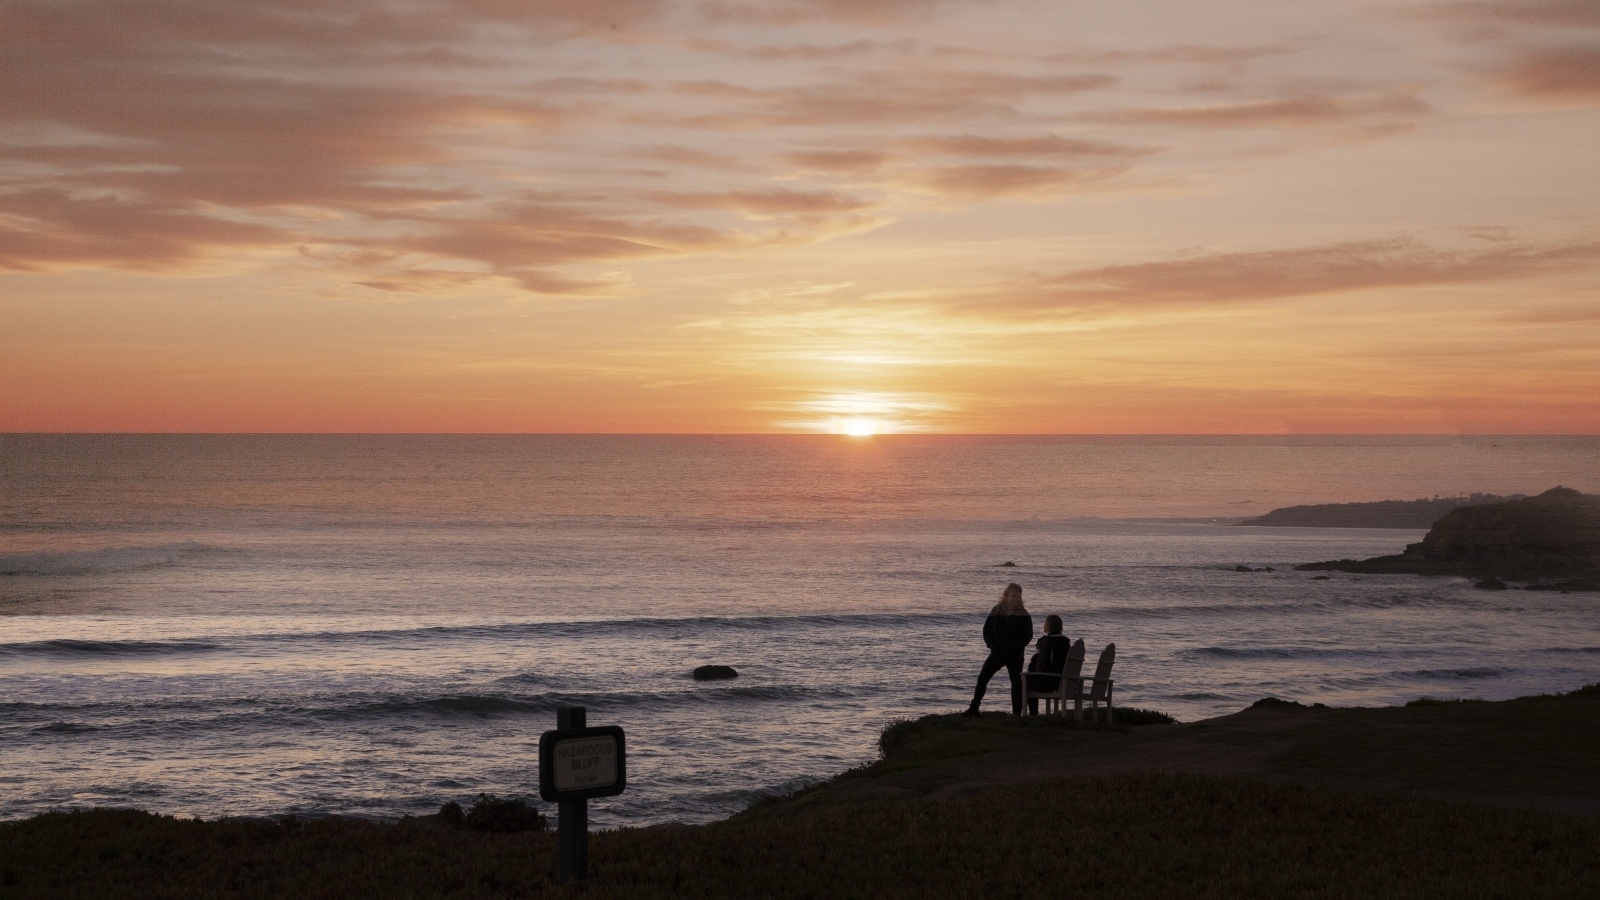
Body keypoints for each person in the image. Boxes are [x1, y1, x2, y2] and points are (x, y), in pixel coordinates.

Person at [962, 583, 1033, 716]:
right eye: (1013, 595)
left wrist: (1015, 647)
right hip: (997, 652)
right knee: (983, 678)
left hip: (1015, 655)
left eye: (1018, 596)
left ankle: (1016, 714)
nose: (1015, 598)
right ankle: (974, 708)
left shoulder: (1023, 614)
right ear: (1006, 595)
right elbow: (986, 629)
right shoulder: (996, 611)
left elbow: (1027, 636)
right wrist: (991, 644)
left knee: (1016, 683)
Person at [1025, 614, 1072, 715]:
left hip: (1049, 683)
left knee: (1021, 684)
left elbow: (1036, 666)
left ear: (1048, 626)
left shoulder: (1046, 642)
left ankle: (1032, 714)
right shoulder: (1066, 643)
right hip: (1066, 683)